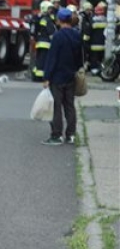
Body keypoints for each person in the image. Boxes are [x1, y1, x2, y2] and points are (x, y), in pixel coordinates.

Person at [42, 8, 82, 146]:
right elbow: (80, 57)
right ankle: (70, 135)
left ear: (59, 20)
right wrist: (76, 69)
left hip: (57, 78)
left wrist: (47, 77)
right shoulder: (77, 35)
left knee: (56, 106)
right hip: (70, 76)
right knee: (70, 106)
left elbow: (52, 58)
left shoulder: (58, 37)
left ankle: (56, 135)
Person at [32, 0, 56, 80]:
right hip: (46, 44)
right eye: (49, 9)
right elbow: (51, 32)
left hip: (39, 43)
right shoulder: (47, 20)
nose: (51, 10)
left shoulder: (40, 18)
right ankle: (39, 77)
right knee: (43, 61)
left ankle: (35, 75)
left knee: (39, 60)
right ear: (45, 8)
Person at [89, 3, 107, 74]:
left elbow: (89, 32)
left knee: (94, 57)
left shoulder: (93, 21)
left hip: (94, 44)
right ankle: (101, 69)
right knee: (101, 58)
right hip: (103, 44)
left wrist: (86, 42)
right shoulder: (107, 21)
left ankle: (94, 69)